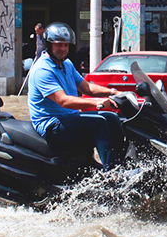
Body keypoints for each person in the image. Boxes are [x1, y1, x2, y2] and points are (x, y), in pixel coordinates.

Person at [27, 22, 126, 171]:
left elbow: (87, 87)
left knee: (112, 118)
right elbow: (63, 101)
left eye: (66, 45)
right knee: (99, 124)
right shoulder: (42, 70)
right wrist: (98, 103)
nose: (63, 49)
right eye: (58, 45)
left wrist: (114, 92)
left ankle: (122, 165)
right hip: (51, 124)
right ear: (49, 45)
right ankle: (112, 174)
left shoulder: (66, 64)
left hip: (68, 118)